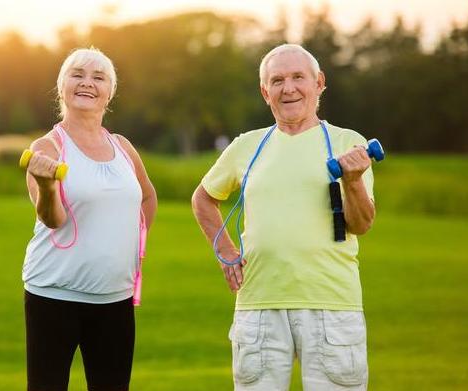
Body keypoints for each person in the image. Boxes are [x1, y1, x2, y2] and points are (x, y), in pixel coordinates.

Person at [192, 43, 375, 390]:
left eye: (297, 77)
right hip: (258, 307)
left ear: (319, 83)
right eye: (277, 80)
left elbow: (362, 223)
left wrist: (352, 181)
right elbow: (203, 199)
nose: (288, 88)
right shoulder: (247, 145)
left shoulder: (349, 143)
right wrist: (228, 254)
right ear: (265, 92)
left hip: (331, 306)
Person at [21, 47, 157, 391]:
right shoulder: (47, 148)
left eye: (99, 78)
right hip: (54, 296)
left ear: (109, 92)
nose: (87, 83)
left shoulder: (123, 147)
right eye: (77, 74)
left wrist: (129, 243)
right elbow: (52, 220)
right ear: (61, 86)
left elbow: (147, 196)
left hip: (115, 298)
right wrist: (47, 185)